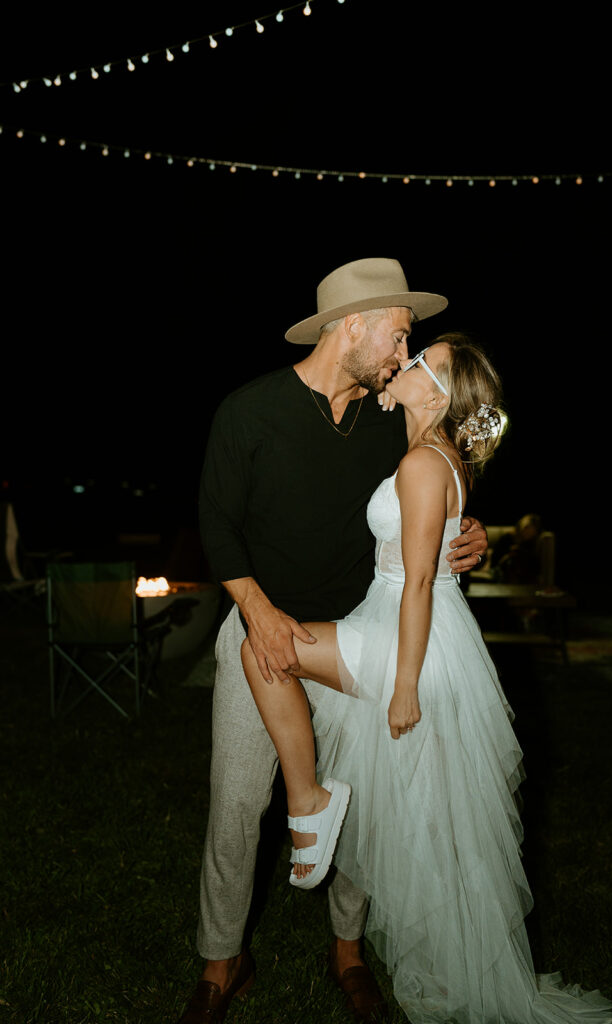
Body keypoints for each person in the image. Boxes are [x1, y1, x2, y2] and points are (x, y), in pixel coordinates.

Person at [240, 337, 612, 1024]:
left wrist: (404, 686)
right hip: (407, 625)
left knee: (262, 648)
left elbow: (418, 578)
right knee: (430, 818)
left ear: (437, 394)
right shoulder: (435, 457)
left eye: (419, 362)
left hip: (404, 635)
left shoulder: (423, 461)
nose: (406, 362)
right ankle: (444, 951)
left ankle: (308, 803)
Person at [177, 258, 489, 1024]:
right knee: (239, 804)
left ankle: (347, 951)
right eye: (397, 333)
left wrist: (470, 532)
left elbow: (439, 480)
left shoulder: (394, 417)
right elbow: (215, 523)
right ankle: (222, 962)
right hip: (261, 629)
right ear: (351, 325)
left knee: (369, 801)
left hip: (360, 642)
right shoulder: (249, 410)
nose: (402, 353)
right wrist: (256, 610)